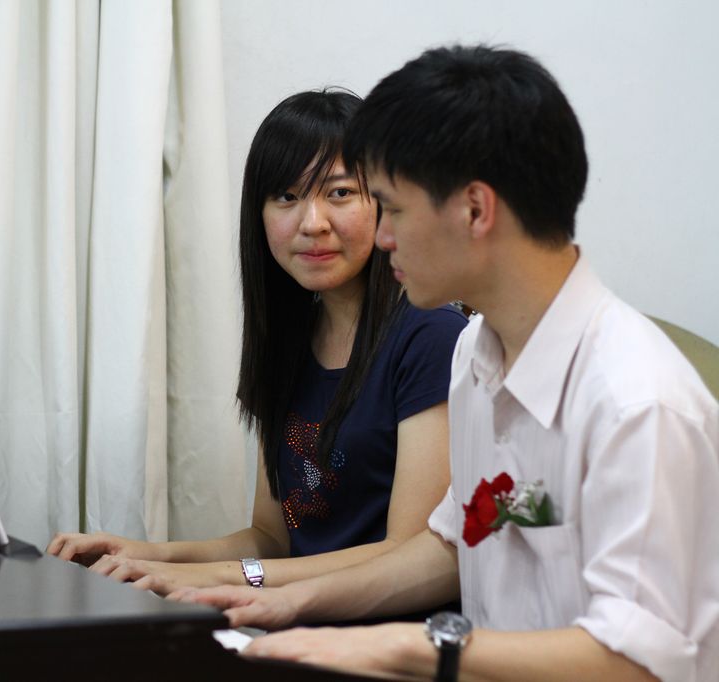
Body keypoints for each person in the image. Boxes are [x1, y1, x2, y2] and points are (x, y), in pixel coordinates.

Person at [171, 46, 719, 682]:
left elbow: (639, 660)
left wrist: (405, 648)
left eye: (394, 208)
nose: (382, 237)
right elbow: (450, 546)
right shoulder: (476, 355)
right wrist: (285, 602)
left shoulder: (637, 402)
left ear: (475, 210)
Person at [47, 90, 467, 593]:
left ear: (383, 202)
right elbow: (272, 537)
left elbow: (406, 553)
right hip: (286, 621)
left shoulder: (431, 335)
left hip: (385, 630)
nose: (313, 223)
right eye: (286, 197)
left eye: (339, 193)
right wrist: (147, 554)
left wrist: (208, 579)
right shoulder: (290, 339)